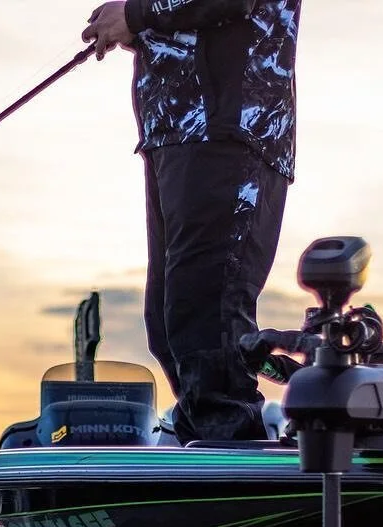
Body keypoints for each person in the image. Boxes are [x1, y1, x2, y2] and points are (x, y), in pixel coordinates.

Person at [82, 0, 301, 444]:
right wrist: (139, 27)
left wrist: (136, 14)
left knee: (205, 311)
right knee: (168, 318)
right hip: (176, 136)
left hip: (227, 130)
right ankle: (206, 433)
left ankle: (230, 443)